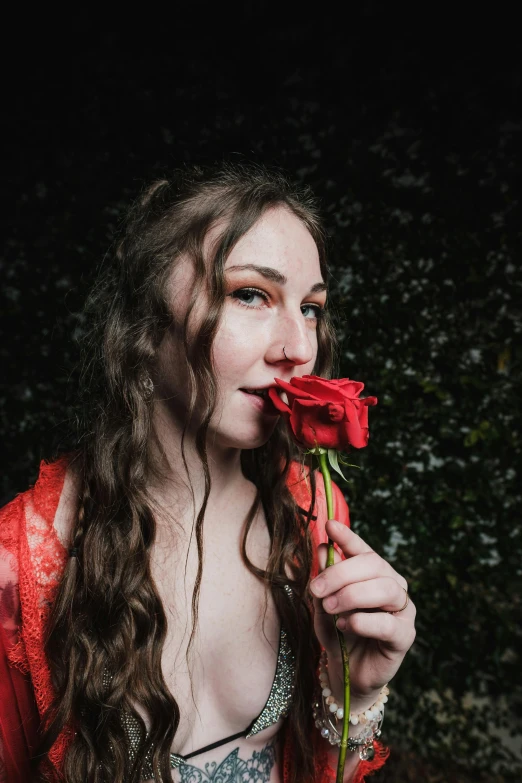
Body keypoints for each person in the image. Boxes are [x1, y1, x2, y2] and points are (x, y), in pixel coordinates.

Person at [0, 162, 416, 783]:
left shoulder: (310, 514)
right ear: (147, 323)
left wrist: (356, 693)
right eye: (251, 294)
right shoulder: (22, 567)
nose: (299, 347)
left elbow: (326, 769)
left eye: (311, 307)